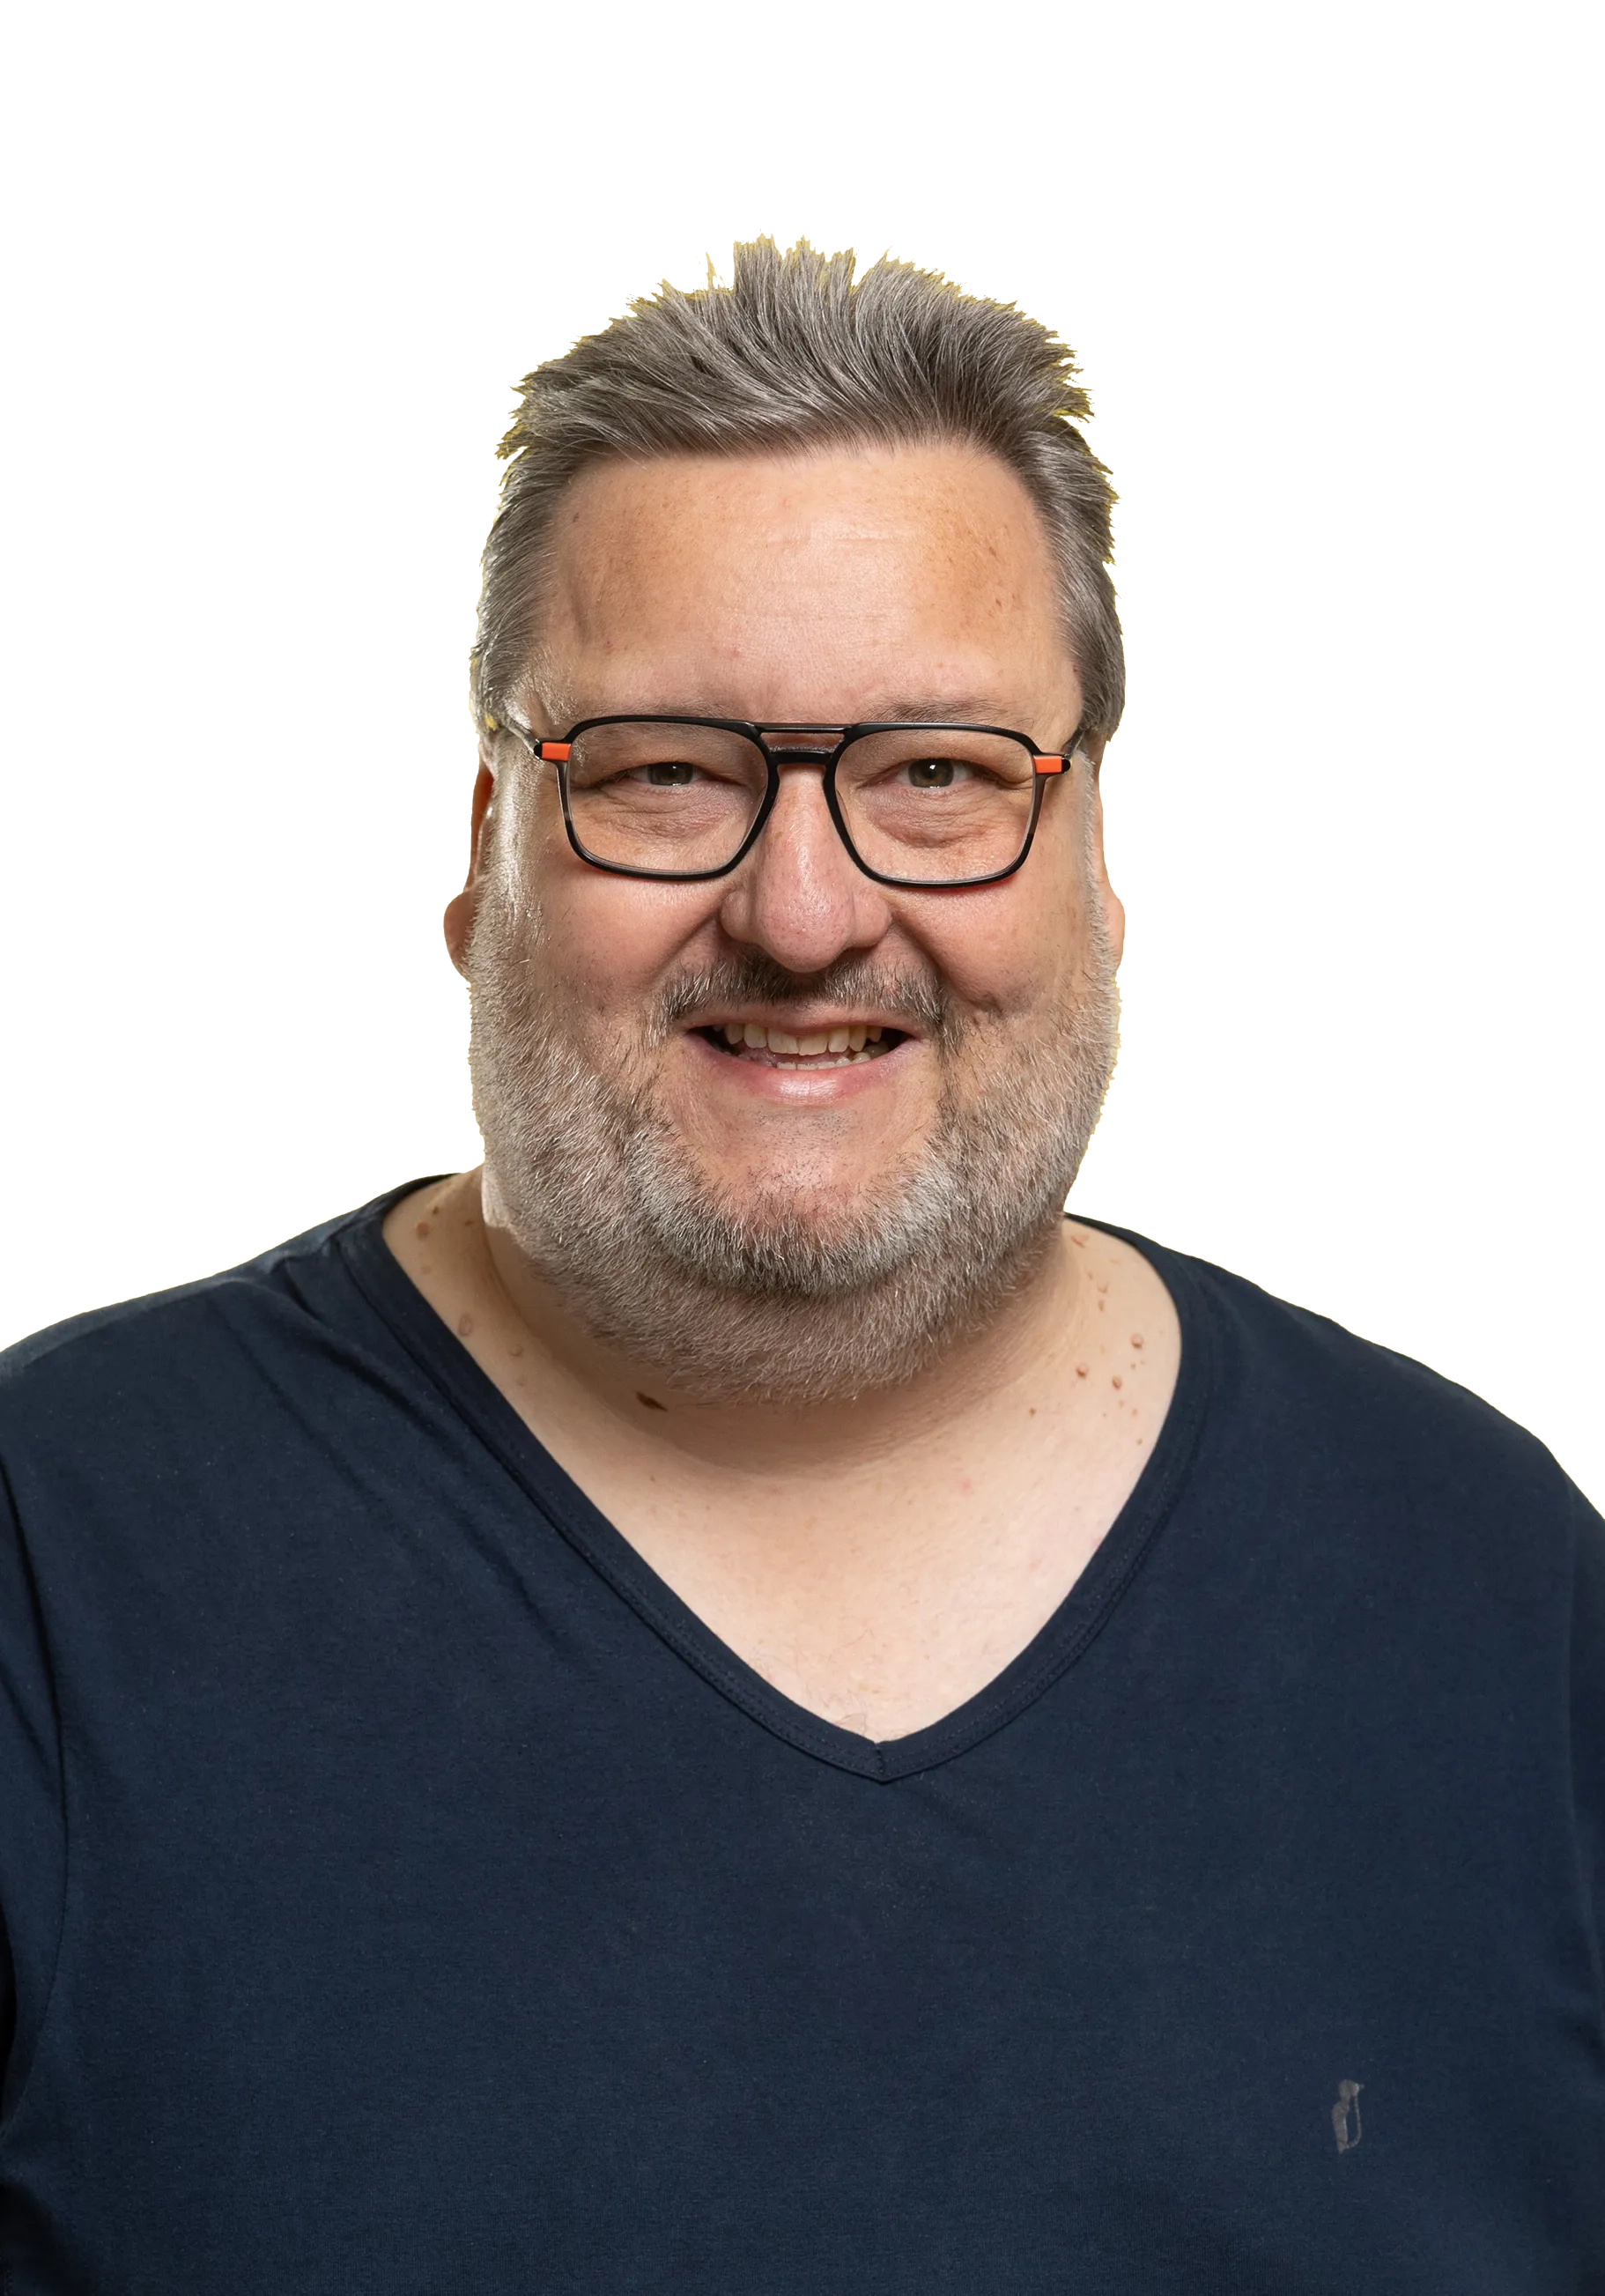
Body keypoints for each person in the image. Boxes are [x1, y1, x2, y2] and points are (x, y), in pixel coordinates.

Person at [2, 233, 1600, 2294]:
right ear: (480, 848)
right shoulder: (50, 1551)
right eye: (664, 771)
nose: (802, 910)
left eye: (935, 775)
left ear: (1097, 862)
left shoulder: (1494, 1590)